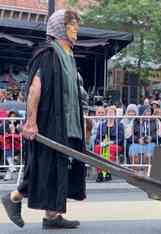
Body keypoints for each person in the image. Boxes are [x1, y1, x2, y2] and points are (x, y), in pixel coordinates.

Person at [1, 9, 85, 229]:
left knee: (61, 168)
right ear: (60, 28)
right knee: (44, 167)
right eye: (72, 24)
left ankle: (52, 216)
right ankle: (13, 198)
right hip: (51, 121)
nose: (76, 29)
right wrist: (30, 121)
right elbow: (35, 88)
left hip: (68, 124)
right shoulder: (48, 53)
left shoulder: (68, 55)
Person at [94, 106, 124, 182]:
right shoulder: (101, 125)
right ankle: (99, 173)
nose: (110, 114)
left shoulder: (119, 125)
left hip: (115, 144)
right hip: (103, 144)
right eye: (109, 112)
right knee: (97, 148)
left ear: (115, 114)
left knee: (110, 148)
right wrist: (101, 143)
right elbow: (97, 138)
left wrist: (112, 142)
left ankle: (108, 171)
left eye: (112, 113)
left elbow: (121, 139)